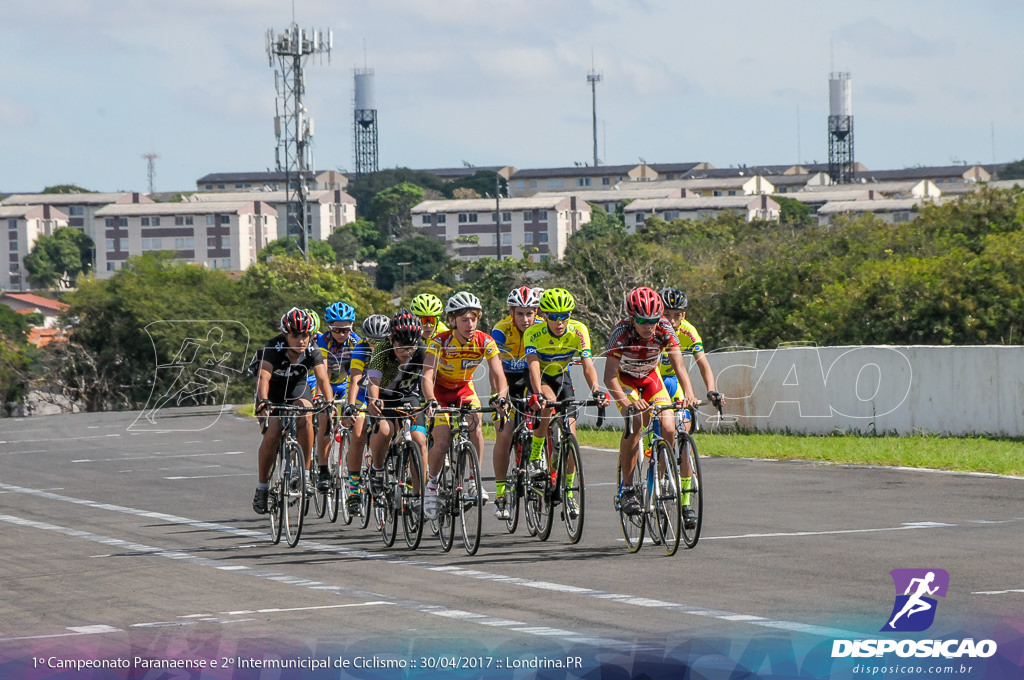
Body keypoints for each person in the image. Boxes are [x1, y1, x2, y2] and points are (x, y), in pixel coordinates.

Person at [603, 286, 698, 525]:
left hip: (650, 379)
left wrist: (689, 393)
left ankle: (662, 477)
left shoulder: (665, 328)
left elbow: (679, 367)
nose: (650, 326)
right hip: (626, 380)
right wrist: (625, 403)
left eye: (654, 320)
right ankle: (626, 489)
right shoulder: (621, 333)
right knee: (636, 423)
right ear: (632, 318)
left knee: (668, 425)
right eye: (644, 321)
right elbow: (609, 377)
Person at [421, 291, 508, 520]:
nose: (470, 324)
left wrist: (501, 396)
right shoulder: (439, 341)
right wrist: (430, 400)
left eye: (473, 319)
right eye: (464, 320)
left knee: (475, 424)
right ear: (452, 321)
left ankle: (474, 480)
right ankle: (431, 487)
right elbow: (427, 375)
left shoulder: (485, 340)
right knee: (442, 439)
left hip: (463, 390)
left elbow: (498, 374)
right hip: (439, 391)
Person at [523, 288, 609, 519]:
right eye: (553, 316)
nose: (559, 322)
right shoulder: (532, 333)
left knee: (571, 434)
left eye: (564, 316)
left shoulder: (579, 330)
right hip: (541, 376)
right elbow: (532, 365)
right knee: (549, 404)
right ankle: (535, 457)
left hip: (562, 376)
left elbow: (588, 364)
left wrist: (597, 390)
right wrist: (538, 393)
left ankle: (569, 494)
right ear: (543, 315)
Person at [252, 308, 333, 514]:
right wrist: (263, 402)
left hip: (297, 388)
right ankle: (262, 488)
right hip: (273, 393)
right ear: (285, 335)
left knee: (306, 414)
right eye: (295, 335)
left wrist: (329, 403)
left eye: (305, 335)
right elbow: (263, 378)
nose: (301, 340)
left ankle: (305, 473)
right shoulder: (273, 347)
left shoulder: (313, 349)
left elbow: (323, 379)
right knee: (273, 433)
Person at [489, 286, 543, 519]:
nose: (525, 319)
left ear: (536, 312)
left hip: (531, 378)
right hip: (507, 380)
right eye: (520, 314)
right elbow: (495, 367)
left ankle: (539, 464)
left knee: (544, 415)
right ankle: (500, 494)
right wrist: (500, 397)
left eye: (530, 313)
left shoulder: (542, 327)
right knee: (506, 432)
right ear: (511, 312)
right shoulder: (500, 330)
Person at [364, 310, 429, 495]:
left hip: (409, 396)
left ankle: (418, 495)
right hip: (384, 397)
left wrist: (431, 400)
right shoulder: (381, 350)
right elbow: (374, 380)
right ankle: (377, 470)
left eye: (411, 347)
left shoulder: (422, 350)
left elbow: (428, 379)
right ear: (392, 340)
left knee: (420, 439)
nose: (407, 352)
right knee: (385, 430)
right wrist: (374, 400)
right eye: (402, 346)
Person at [341, 313, 390, 516]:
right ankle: (353, 491)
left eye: (380, 341)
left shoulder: (393, 347)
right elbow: (354, 379)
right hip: (362, 392)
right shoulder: (360, 348)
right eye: (371, 341)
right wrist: (351, 405)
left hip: (385, 392)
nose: (374, 345)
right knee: (359, 433)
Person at [312, 301, 362, 492]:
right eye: (336, 330)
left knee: (354, 419)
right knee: (325, 418)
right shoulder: (322, 342)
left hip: (346, 383)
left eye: (345, 330)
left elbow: (358, 373)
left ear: (352, 327)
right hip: (328, 384)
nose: (341, 334)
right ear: (328, 328)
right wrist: (323, 397)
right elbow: (321, 372)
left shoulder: (356, 342)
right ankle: (324, 470)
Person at [658, 288, 723, 432]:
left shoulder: (689, 331)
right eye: (666, 315)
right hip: (652, 379)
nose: (672, 320)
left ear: (684, 315)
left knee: (684, 424)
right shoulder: (652, 330)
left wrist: (711, 390)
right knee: (656, 424)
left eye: (677, 315)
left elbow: (703, 364)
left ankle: (684, 450)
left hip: (671, 379)